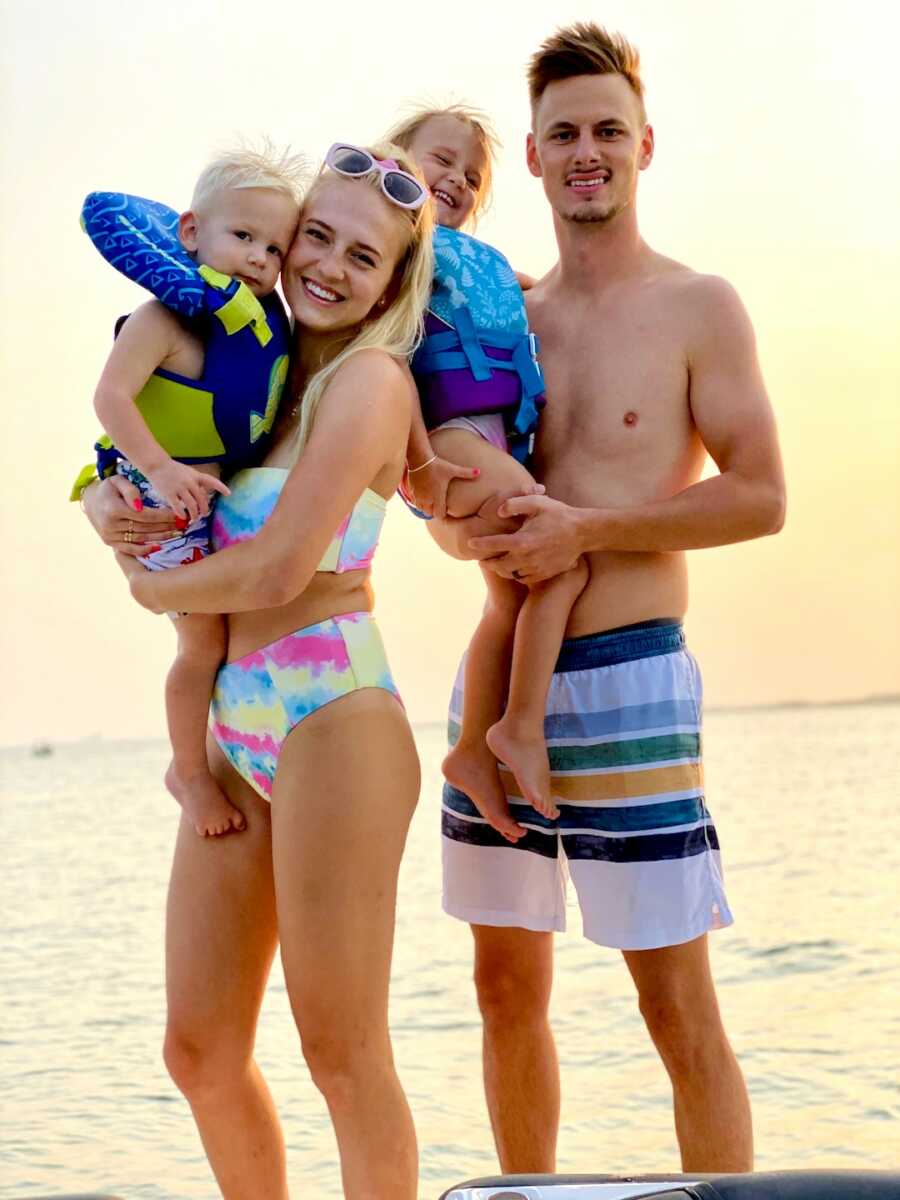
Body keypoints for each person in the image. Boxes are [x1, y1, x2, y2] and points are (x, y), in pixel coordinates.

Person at [430, 24, 785, 1174]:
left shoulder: (699, 306)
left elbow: (762, 496)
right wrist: (457, 524)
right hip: (496, 683)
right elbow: (441, 487)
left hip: (630, 673)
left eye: (607, 133)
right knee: (501, 988)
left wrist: (594, 529)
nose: (588, 152)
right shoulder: (500, 318)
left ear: (645, 148)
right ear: (529, 159)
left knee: (674, 1001)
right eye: (565, 134)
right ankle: (527, 1198)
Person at [82, 141, 435, 1200]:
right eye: (313, 238)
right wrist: (109, 508)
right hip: (234, 724)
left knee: (342, 1050)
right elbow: (140, 471)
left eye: (360, 256)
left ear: (390, 283)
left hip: (335, 711)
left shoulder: (370, 381)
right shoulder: (263, 375)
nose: (327, 266)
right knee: (197, 1049)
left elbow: (279, 568)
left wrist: (149, 591)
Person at [87, 148, 303, 837]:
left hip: (206, 501)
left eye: (275, 247)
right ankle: (188, 771)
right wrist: (158, 469)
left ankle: (222, 752)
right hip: (160, 506)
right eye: (243, 237)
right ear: (190, 233)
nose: (260, 259)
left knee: (219, 638)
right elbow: (110, 397)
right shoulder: (163, 321)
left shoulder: (262, 330)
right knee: (201, 645)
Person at [389, 106, 589, 840]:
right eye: (438, 161)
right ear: (393, 159)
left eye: (471, 177)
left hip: (488, 435)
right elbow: (385, 364)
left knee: (508, 599)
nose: (455, 181)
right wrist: (420, 464)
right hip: (449, 439)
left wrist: (529, 289)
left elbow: (505, 301)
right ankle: (520, 728)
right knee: (562, 568)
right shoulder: (393, 248)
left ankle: (472, 750)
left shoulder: (480, 261)